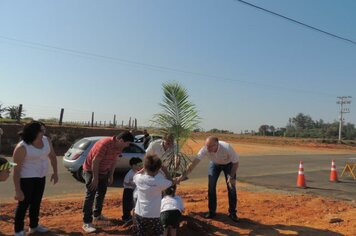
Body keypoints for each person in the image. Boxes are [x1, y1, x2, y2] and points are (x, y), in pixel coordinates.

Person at [82, 131, 134, 233]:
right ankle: (87, 222)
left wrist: (111, 175)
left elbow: (114, 161)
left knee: (101, 193)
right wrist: (95, 178)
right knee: (90, 194)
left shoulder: (119, 147)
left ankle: (97, 215)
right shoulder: (105, 144)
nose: (127, 146)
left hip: (104, 171)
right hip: (91, 170)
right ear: (121, 140)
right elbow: (95, 161)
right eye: (127, 143)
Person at [12, 121, 58, 236]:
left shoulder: (46, 140)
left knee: (36, 203)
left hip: (41, 176)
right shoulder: (22, 147)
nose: (44, 132)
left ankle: (34, 226)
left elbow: (52, 156)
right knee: (23, 204)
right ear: (34, 132)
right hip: (26, 178)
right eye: (42, 130)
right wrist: (18, 190)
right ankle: (18, 231)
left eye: (44, 130)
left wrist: (55, 172)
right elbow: (16, 170)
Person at [179, 136, 239, 222]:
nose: (208, 148)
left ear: (216, 144)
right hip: (214, 164)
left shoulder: (227, 147)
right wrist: (183, 175)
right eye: (206, 146)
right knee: (211, 186)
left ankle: (232, 212)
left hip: (229, 165)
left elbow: (236, 163)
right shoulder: (205, 149)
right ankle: (212, 211)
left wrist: (231, 176)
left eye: (210, 146)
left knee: (231, 187)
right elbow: (194, 163)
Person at [133, 154, 178, 236]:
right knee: (159, 233)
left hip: (139, 213)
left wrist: (143, 169)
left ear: (145, 167)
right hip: (155, 215)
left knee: (141, 233)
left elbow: (135, 175)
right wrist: (164, 170)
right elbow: (171, 182)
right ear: (158, 168)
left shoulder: (138, 178)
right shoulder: (160, 182)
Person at [122, 157, 143, 223]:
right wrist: (132, 184)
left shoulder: (138, 172)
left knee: (134, 204)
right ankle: (126, 217)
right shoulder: (130, 173)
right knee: (127, 204)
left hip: (134, 190)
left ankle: (134, 216)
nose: (140, 166)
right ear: (133, 166)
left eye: (141, 165)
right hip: (128, 190)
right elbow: (125, 182)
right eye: (139, 165)